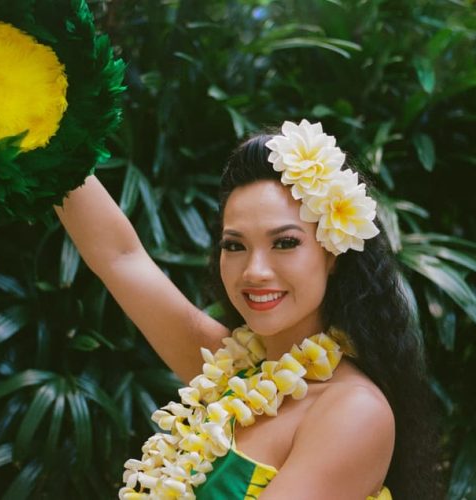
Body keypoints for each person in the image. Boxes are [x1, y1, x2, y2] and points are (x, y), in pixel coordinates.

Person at [56, 120, 441, 499]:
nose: (255, 271)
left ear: (334, 251)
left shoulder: (353, 412)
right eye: (235, 246)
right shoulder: (233, 372)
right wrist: (45, 123)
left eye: (285, 243)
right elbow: (120, 257)